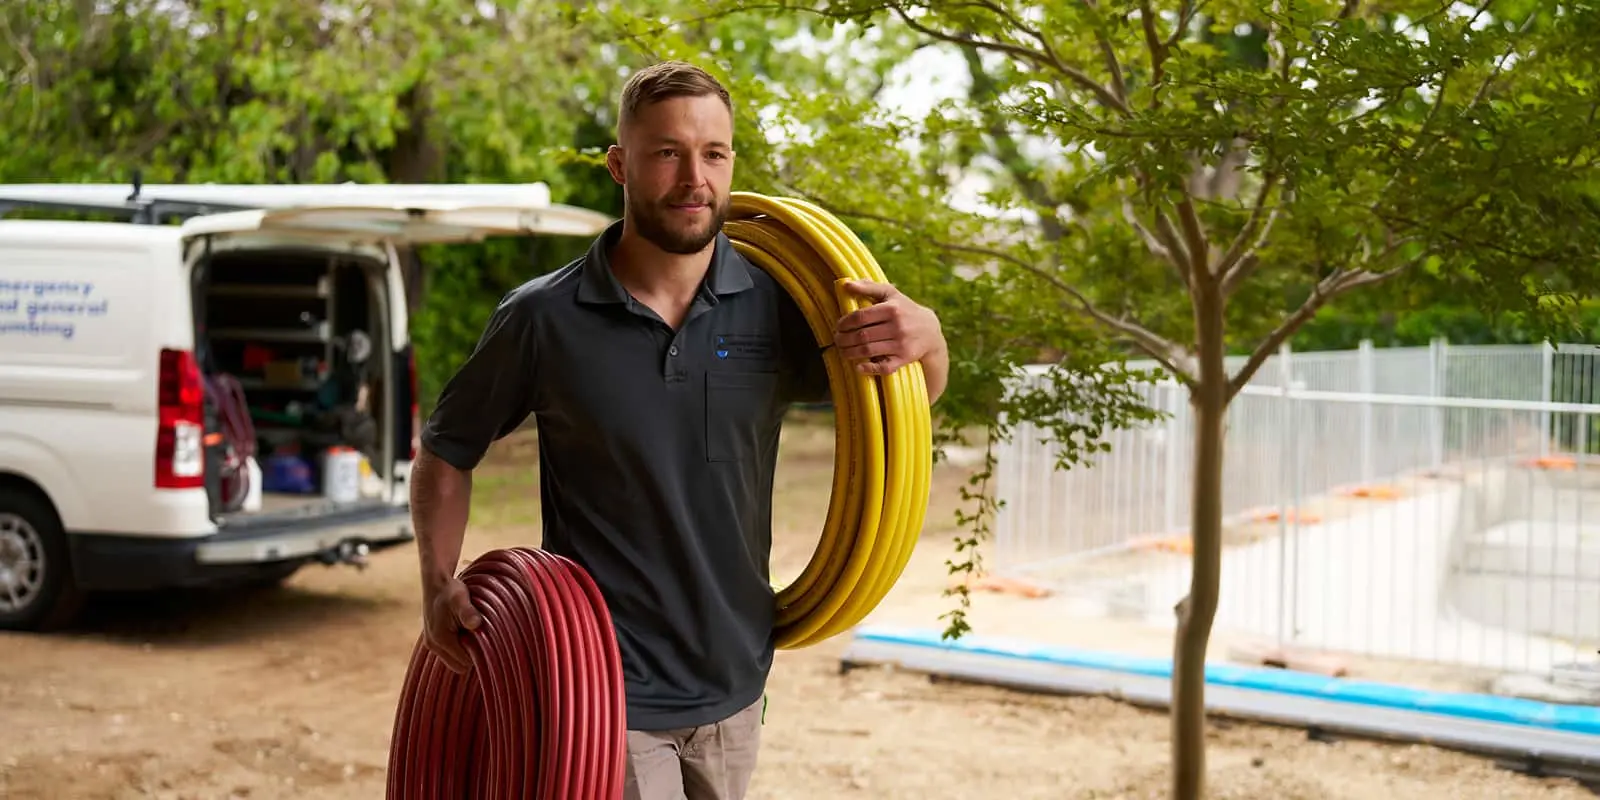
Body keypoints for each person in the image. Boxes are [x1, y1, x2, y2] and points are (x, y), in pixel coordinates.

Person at [409, 60, 950, 800]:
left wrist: (929, 339)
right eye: (667, 152)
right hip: (605, 689)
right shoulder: (544, 318)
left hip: (735, 681)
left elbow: (899, 406)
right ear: (620, 165)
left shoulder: (783, 308)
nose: (695, 177)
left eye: (714, 154)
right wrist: (438, 582)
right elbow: (447, 449)